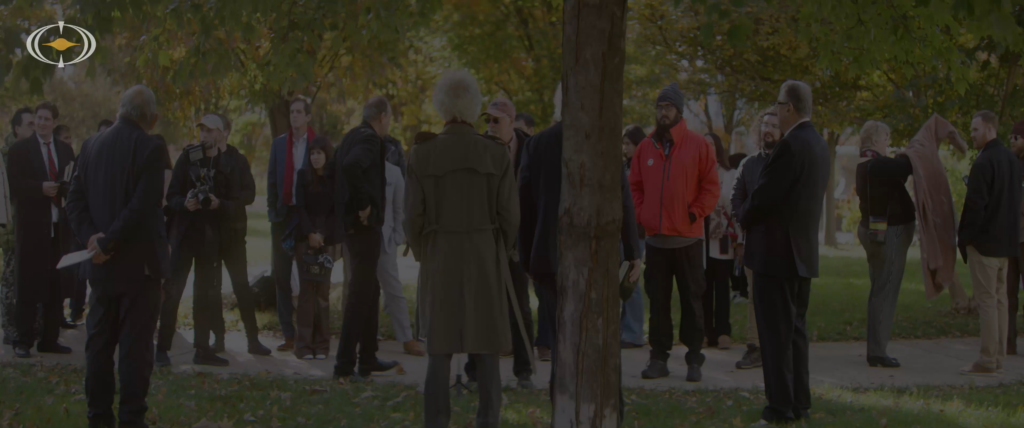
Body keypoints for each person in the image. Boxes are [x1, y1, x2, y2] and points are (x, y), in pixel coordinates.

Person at [519, 82, 641, 420]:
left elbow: (524, 205)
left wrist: (527, 257)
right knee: (601, 341)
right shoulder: (602, 143)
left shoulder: (537, 144)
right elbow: (623, 199)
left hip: (550, 259)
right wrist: (633, 251)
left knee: (562, 343)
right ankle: (610, 410)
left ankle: (564, 413)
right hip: (596, 258)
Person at [407, 69, 519, 428]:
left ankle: (436, 422)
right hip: (484, 255)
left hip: (440, 255)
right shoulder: (496, 153)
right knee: (486, 347)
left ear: (442, 106)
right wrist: (498, 250)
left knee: (439, 349)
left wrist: (425, 252)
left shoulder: (422, 153)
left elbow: (412, 217)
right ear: (474, 107)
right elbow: (510, 217)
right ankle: (488, 420)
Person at [65, 84, 170, 428]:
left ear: (120, 109)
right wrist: (106, 242)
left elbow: (74, 201)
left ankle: (98, 417)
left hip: (101, 266)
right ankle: (131, 419)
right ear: (152, 118)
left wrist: (92, 239)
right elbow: (143, 205)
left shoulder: (91, 145)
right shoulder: (151, 147)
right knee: (135, 350)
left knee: (98, 345)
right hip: (138, 267)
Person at [740, 81, 829, 424]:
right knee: (795, 334)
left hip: (776, 255)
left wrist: (742, 215)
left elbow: (763, 197)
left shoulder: (790, 145)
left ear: (790, 107)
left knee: (775, 337)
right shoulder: (818, 143)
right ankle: (799, 403)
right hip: (802, 254)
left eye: (778, 104)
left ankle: (779, 409)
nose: (776, 110)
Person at [628, 82, 719, 382]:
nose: (663, 112)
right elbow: (634, 187)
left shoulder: (698, 145)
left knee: (693, 301)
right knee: (658, 303)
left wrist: (693, 213)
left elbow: (711, 187)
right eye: (659, 107)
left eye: (668, 107)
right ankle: (658, 358)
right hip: (656, 242)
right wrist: (643, 214)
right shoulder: (645, 147)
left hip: (688, 240)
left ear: (679, 111)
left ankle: (694, 359)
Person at [464, 97, 535, 389]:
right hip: (485, 236)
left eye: (497, 120)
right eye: (488, 120)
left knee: (519, 305)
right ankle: (474, 369)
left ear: (511, 121)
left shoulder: (530, 148)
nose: (491, 125)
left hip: (518, 239)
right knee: (480, 304)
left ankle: (524, 370)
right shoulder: (479, 148)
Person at [332, 96, 398, 381]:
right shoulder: (370, 139)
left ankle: (368, 358)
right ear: (381, 116)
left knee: (371, 290)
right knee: (360, 294)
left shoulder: (350, 135)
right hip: (362, 228)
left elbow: (337, 169)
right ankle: (344, 367)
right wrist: (363, 205)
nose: (389, 123)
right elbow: (350, 167)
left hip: (351, 227)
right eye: (389, 117)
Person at [160, 114, 233, 367]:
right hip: (184, 235)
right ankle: (161, 349)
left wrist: (218, 203)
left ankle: (202, 349)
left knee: (204, 295)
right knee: (173, 292)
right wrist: (185, 203)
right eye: (202, 130)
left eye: (210, 131)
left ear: (221, 133)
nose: (204, 136)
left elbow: (233, 200)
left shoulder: (226, 162)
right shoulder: (188, 157)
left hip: (209, 238)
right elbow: (171, 197)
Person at [8, 101, 76, 358]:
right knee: (27, 283)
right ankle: (23, 340)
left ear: (54, 122)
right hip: (32, 226)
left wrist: (63, 191)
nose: (42, 123)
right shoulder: (20, 149)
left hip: (58, 226)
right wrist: (40, 189)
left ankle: (49, 339)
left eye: (47, 119)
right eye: (39, 118)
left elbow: (74, 182)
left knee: (56, 284)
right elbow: (14, 185)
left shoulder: (65, 150)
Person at [958, 110, 1021, 376]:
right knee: (1000, 301)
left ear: (989, 129)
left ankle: (987, 359)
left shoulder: (984, 162)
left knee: (987, 301)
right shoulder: (1012, 159)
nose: (971, 134)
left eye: (975, 129)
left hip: (984, 243)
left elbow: (975, 206)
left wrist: (965, 238)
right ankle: (998, 357)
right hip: (1006, 243)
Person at [853, 120, 915, 368]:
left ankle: (876, 349)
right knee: (885, 291)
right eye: (886, 137)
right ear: (876, 140)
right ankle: (878, 352)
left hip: (881, 234)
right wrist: (912, 150)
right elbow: (905, 166)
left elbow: (899, 171)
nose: (888, 142)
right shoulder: (876, 164)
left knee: (880, 288)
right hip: (887, 236)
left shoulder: (869, 163)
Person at [731, 109, 779, 370]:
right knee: (754, 296)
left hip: (782, 244)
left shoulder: (789, 163)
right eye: (765, 125)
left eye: (774, 125)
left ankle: (778, 348)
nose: (768, 129)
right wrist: (744, 221)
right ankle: (755, 347)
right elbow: (736, 198)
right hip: (754, 243)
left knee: (779, 298)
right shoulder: (748, 164)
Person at [267, 97, 316, 351]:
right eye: (292, 112)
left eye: (299, 112)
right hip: (283, 216)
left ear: (308, 117)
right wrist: (273, 212)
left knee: (308, 275)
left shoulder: (317, 144)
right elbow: (271, 181)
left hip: (306, 216)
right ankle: (288, 334)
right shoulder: (278, 144)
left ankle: (307, 334)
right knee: (282, 275)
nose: (294, 115)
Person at [293, 136, 336, 360]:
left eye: (319, 153)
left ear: (327, 155)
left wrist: (322, 234)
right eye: (312, 153)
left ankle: (322, 345)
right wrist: (310, 233)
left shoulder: (334, 178)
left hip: (326, 241)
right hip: (305, 239)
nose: (315, 157)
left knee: (322, 293)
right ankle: (303, 345)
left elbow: (337, 211)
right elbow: (299, 207)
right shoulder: (303, 176)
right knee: (306, 293)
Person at [378, 155, 422, 356]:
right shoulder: (357, 168)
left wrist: (396, 237)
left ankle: (406, 338)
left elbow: (400, 209)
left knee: (394, 289)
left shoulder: (393, 172)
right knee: (360, 291)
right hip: (360, 241)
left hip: (385, 240)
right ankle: (362, 336)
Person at [1, 107, 34, 346]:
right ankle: (9, 327)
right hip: (11, 227)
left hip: (29, 226)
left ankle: (27, 326)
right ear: (17, 129)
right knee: (10, 279)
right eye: (30, 124)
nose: (35, 128)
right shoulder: (7, 155)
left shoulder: (33, 152)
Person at [702, 132, 737, 350]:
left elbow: (731, 201)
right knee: (704, 286)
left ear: (718, 148)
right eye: (704, 145)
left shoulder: (730, 174)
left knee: (722, 285)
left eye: (711, 145)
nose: (708, 149)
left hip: (722, 235)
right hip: (701, 235)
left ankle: (723, 330)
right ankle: (706, 331)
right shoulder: (696, 173)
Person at [620, 124, 648, 349]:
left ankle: (635, 333)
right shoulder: (624, 166)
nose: (625, 148)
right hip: (622, 230)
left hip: (637, 230)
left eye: (629, 144)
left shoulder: (647, 168)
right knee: (623, 281)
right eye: (624, 144)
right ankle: (625, 329)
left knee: (631, 280)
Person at [1007, 120, 1024, 356]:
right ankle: (1008, 342)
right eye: (1011, 137)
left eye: (1016, 137)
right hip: (1010, 239)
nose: (1012, 141)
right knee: (1008, 294)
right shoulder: (1011, 164)